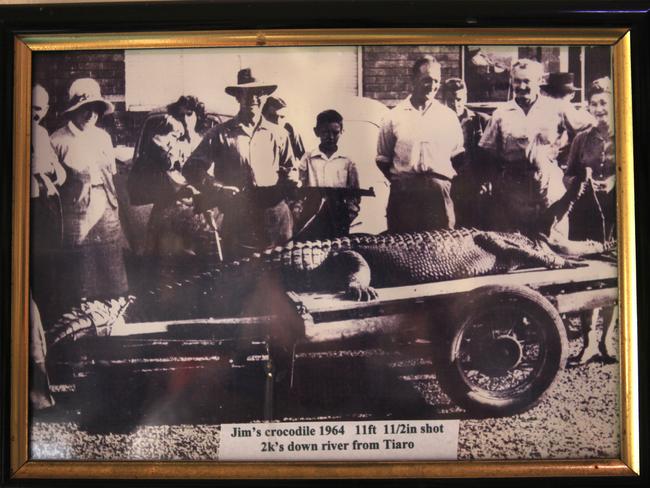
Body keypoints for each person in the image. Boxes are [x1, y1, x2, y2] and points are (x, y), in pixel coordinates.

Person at [183, 68, 297, 257]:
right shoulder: (220, 134)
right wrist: (218, 188)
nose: (253, 98)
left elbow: (291, 168)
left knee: (279, 279)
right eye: (247, 93)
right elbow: (191, 168)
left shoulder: (280, 134)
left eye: (258, 93)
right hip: (239, 218)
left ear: (265, 96)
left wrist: (292, 179)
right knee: (239, 279)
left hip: (277, 219)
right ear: (237, 96)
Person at [478, 59, 594, 235]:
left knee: (554, 241)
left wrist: (572, 156)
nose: (521, 86)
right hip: (513, 189)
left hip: (548, 186)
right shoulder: (500, 114)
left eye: (527, 81)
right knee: (515, 245)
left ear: (539, 81)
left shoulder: (556, 107)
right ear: (511, 81)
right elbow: (488, 151)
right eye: (517, 81)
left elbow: (589, 126)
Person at [51, 78, 128, 307]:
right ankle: (83, 313)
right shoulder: (58, 140)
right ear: (74, 110)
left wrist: (116, 206)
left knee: (112, 259)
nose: (91, 114)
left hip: (105, 204)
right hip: (77, 210)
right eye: (85, 109)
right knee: (81, 262)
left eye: (95, 109)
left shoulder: (103, 137)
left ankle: (116, 308)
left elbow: (112, 175)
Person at [376, 56, 465, 232]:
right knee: (402, 245)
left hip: (438, 193)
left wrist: (437, 181)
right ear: (413, 80)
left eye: (436, 81)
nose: (432, 86)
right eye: (426, 80)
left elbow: (458, 157)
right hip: (405, 194)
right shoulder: (394, 116)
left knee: (441, 247)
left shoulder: (447, 116)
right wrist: (404, 182)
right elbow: (383, 159)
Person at [565, 77, 617, 365]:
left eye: (603, 103)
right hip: (585, 215)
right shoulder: (581, 138)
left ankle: (606, 341)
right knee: (588, 277)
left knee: (612, 275)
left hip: (615, 214)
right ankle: (587, 344)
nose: (599, 108)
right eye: (593, 103)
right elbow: (567, 174)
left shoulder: (626, 132)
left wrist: (614, 179)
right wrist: (580, 179)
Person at [129, 96, 217, 258]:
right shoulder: (167, 140)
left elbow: (209, 174)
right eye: (180, 115)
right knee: (165, 261)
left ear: (197, 116)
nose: (185, 120)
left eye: (189, 114)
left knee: (201, 261)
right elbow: (167, 170)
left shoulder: (205, 142)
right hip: (169, 206)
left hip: (199, 208)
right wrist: (184, 186)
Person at [30, 84, 67, 325]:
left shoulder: (42, 134)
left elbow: (61, 174)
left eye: (39, 109)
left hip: (48, 204)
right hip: (29, 205)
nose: (34, 114)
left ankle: (48, 319)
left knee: (50, 262)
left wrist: (50, 170)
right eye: (31, 107)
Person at [298, 109, 360, 239]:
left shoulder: (347, 160)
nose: (331, 137)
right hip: (311, 215)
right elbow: (299, 188)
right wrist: (300, 214)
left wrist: (348, 216)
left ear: (342, 131)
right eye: (325, 132)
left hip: (339, 216)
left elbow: (354, 193)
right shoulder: (308, 158)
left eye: (335, 132)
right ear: (316, 132)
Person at [441, 78, 490, 227]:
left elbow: (490, 156)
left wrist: (486, 181)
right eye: (450, 100)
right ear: (444, 100)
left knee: (475, 229)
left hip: (474, 185)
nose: (455, 105)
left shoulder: (481, 121)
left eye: (459, 99)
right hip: (448, 185)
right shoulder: (437, 122)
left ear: (466, 96)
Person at [541, 72, 592, 169]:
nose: (557, 99)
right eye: (553, 94)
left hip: (568, 165)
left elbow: (592, 125)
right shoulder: (544, 111)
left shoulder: (568, 110)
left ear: (572, 95)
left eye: (561, 95)